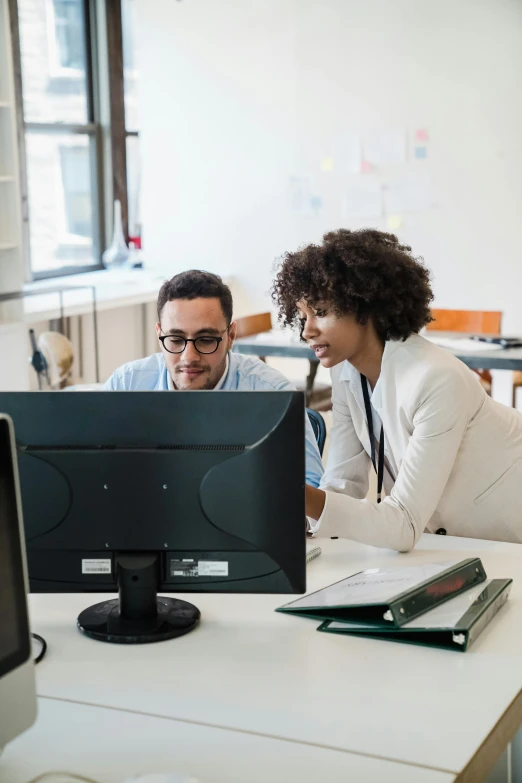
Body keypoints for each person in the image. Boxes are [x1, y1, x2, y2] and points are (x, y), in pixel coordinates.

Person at [272, 228, 522, 551]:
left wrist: (299, 495)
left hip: (508, 538)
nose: (307, 330)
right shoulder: (347, 374)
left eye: (321, 312)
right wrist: (292, 516)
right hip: (455, 543)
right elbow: (342, 486)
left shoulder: (436, 379)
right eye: (303, 315)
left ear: (364, 307)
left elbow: (403, 524)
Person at [105, 269, 323, 488]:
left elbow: (311, 486)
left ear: (230, 337)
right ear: (159, 333)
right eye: (175, 339)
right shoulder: (126, 384)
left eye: (206, 339)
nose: (188, 357)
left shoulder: (273, 393)